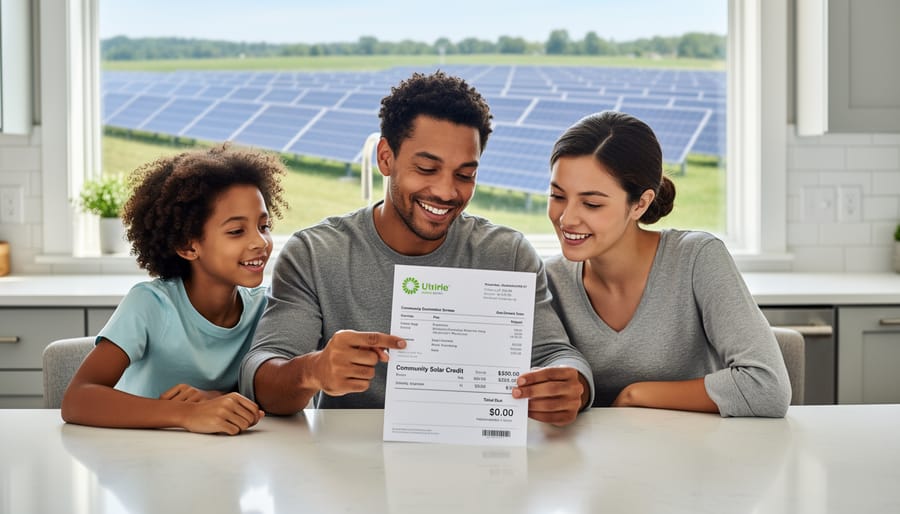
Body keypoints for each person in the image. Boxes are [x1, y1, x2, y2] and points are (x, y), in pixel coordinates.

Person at [240, 71, 595, 426]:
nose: (445, 191)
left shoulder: (508, 254)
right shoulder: (314, 254)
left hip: (479, 460)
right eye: (426, 168)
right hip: (350, 467)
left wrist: (572, 384)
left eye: (465, 175)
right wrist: (312, 370)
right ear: (385, 158)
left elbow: (556, 353)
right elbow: (262, 378)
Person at [544, 111, 791, 417]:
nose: (566, 218)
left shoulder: (697, 259)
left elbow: (768, 388)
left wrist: (636, 395)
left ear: (641, 203)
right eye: (557, 196)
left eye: (592, 203)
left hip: (696, 455)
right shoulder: (550, 280)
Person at [61, 145, 289, 434]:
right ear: (188, 246)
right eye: (236, 231)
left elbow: (276, 396)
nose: (260, 242)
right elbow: (77, 399)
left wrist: (217, 399)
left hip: (225, 464)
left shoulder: (264, 309)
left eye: (264, 226)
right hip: (137, 460)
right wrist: (186, 414)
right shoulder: (150, 305)